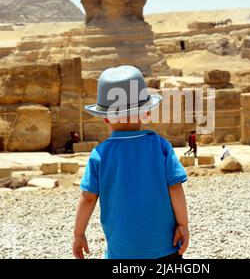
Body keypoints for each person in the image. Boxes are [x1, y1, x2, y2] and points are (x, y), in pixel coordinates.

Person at [73, 65, 189, 260]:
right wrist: (183, 225)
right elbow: (175, 188)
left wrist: (78, 234)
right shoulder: (161, 147)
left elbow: (89, 198)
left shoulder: (100, 155)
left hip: (122, 253)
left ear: (105, 119)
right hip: (166, 249)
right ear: (146, 113)